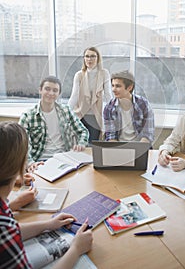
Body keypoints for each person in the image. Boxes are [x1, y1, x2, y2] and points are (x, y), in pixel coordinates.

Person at [0, 121, 93, 269]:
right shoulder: (4, 225)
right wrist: (76, 249)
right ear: (20, 167)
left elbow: (12, 232)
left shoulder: (4, 211)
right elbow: (7, 232)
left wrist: (48, 225)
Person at [19, 75, 89, 165]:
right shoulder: (27, 116)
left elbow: (83, 131)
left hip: (65, 158)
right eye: (47, 89)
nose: (51, 93)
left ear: (59, 93)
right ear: (40, 90)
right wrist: (30, 163)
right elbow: (22, 146)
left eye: (55, 90)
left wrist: (81, 143)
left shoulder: (66, 111)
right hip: (40, 161)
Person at [68, 47, 112, 143]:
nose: (89, 59)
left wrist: (114, 112)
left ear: (98, 58)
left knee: (92, 146)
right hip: (80, 115)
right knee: (80, 146)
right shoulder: (79, 75)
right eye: (87, 56)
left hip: (95, 117)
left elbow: (108, 95)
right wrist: (65, 112)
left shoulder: (104, 73)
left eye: (93, 56)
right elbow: (74, 96)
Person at [103, 70, 155, 144]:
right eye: (112, 85)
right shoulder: (108, 108)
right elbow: (111, 136)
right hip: (118, 148)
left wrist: (137, 150)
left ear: (129, 87)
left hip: (140, 147)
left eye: (118, 86)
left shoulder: (143, 104)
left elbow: (148, 135)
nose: (113, 90)